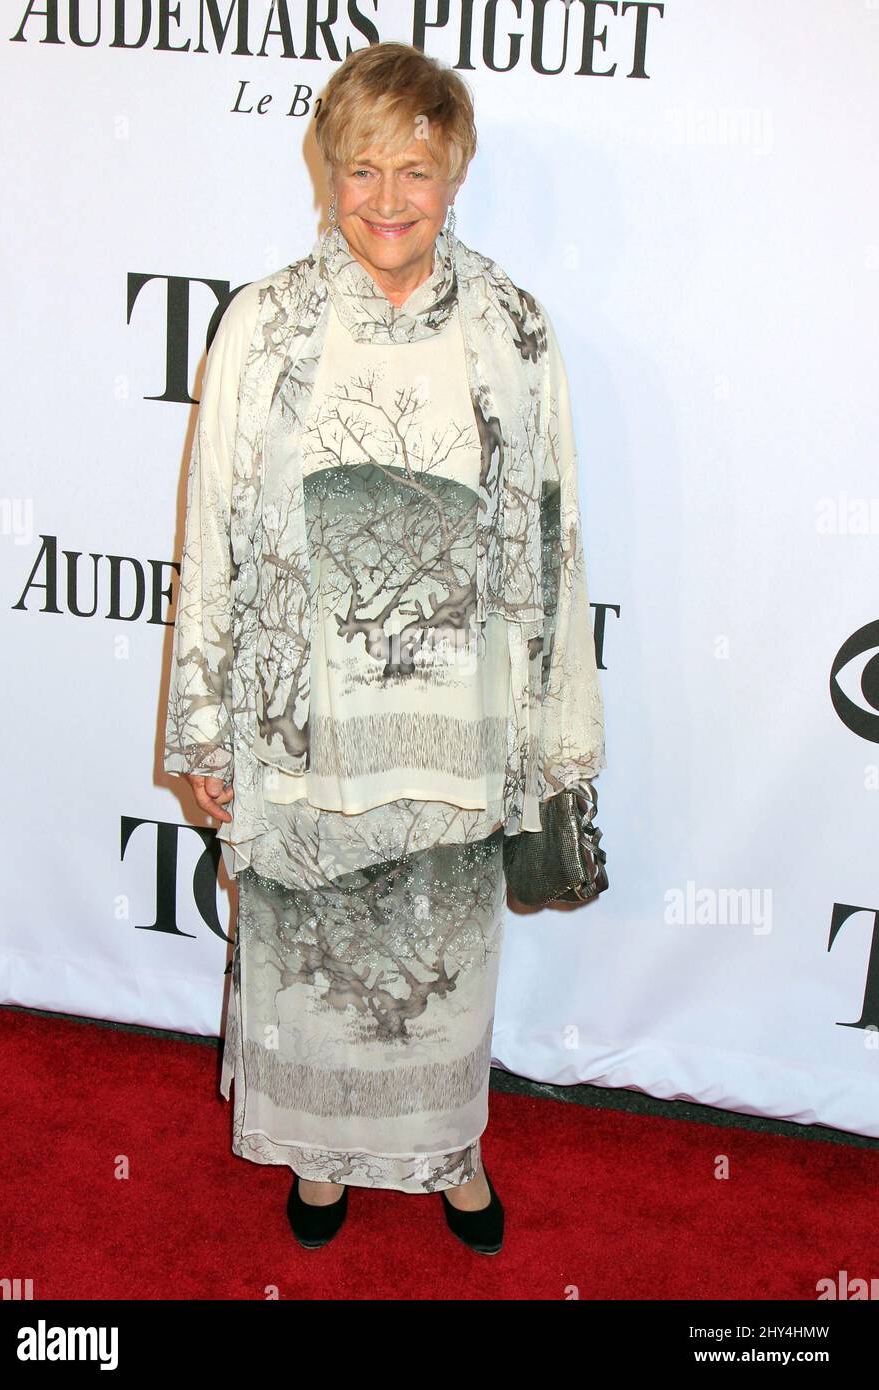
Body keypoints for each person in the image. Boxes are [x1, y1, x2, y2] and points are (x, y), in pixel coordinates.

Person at [163, 41, 606, 1255]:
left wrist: (561, 739)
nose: (390, 200)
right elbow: (211, 536)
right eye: (363, 170)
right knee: (310, 959)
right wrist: (204, 725)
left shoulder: (512, 329)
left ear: (456, 170)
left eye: (416, 168)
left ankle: (451, 1150)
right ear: (328, 172)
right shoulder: (265, 326)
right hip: (302, 726)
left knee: (439, 960)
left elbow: (556, 539)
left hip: (460, 727)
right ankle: (317, 1158)